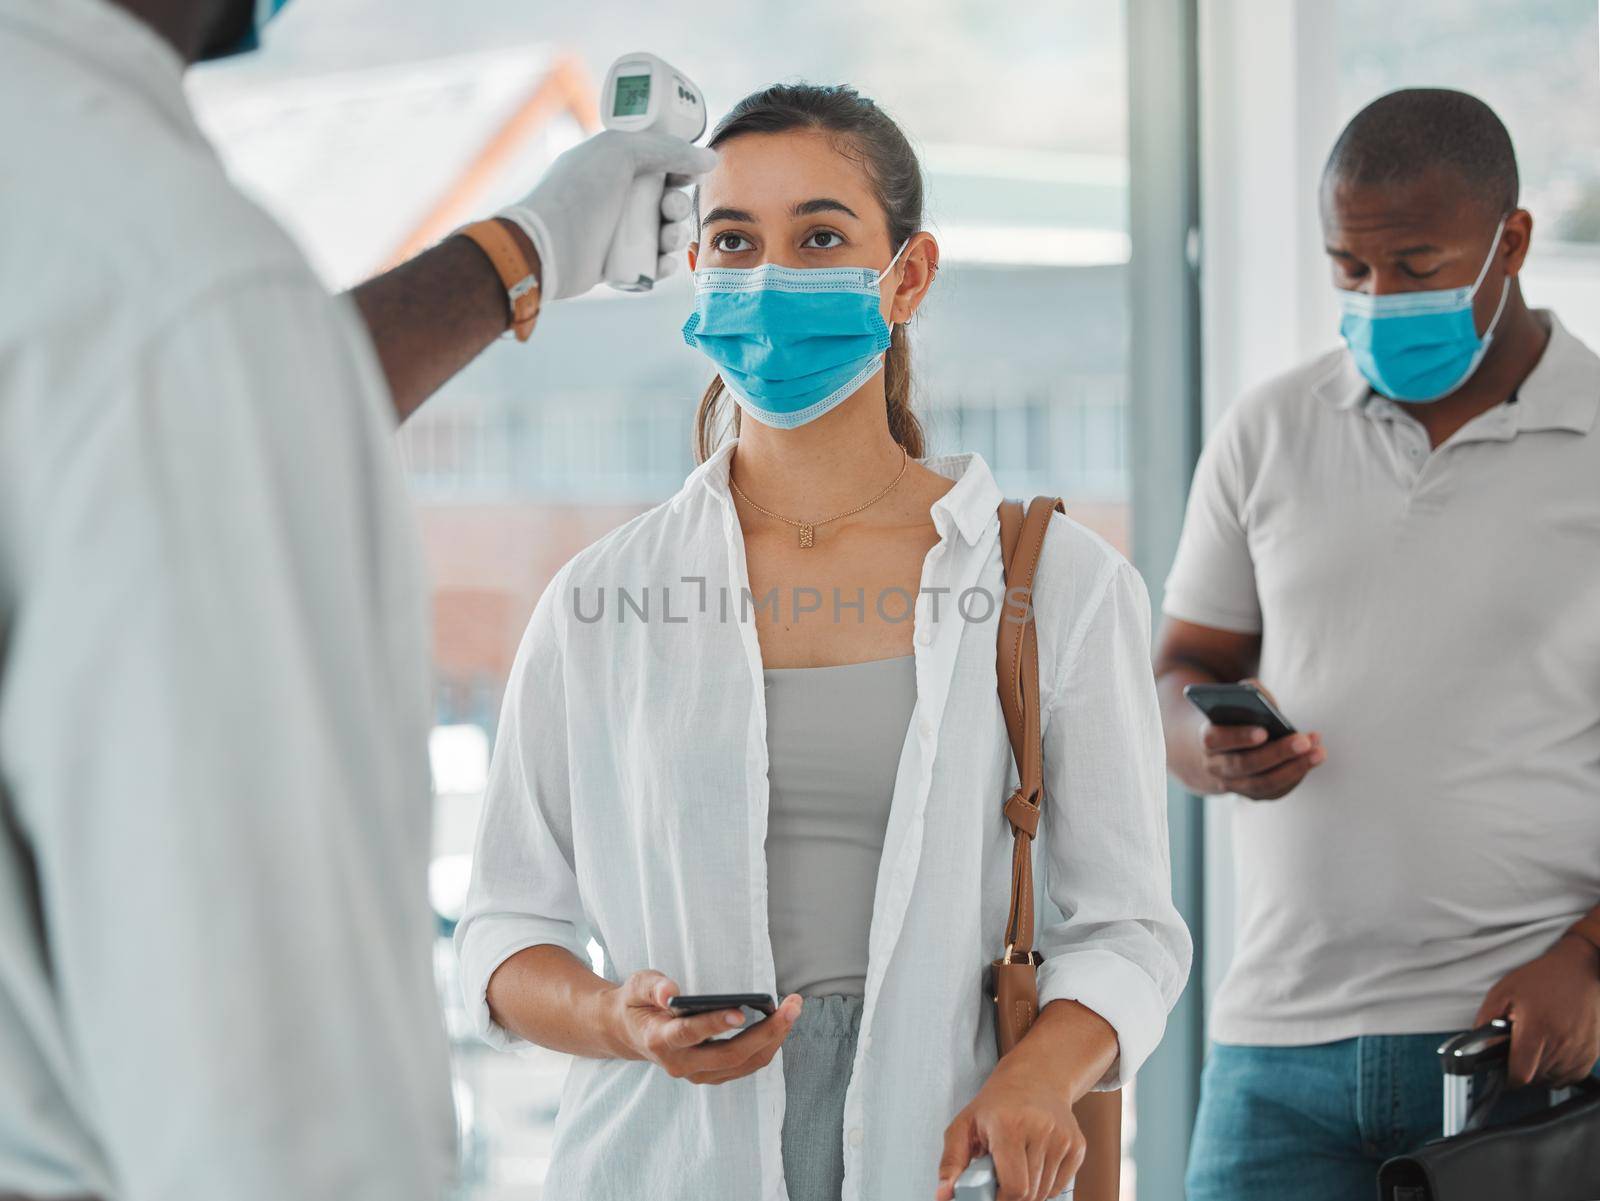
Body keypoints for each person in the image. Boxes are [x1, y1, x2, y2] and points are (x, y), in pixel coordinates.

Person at [0, 0, 716, 1197]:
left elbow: (224, 404)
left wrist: (528, 248)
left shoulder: (97, 241)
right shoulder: (175, 281)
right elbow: (280, 1114)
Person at [454, 83, 1191, 1201]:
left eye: (820, 237)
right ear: (696, 272)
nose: (771, 277)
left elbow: (1129, 929)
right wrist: (615, 1017)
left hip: (938, 1156)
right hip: (663, 1162)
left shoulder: (1058, 586)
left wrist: (1040, 1075)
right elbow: (503, 929)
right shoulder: (602, 600)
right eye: (734, 240)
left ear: (908, 275)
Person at [1158, 88, 1600, 1201]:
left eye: (1414, 265)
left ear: (1512, 242)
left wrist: (1591, 959)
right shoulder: (1269, 426)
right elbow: (1185, 662)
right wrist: (1198, 742)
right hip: (1274, 1051)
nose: (1375, 298)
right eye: (1348, 270)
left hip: (1526, 1045)